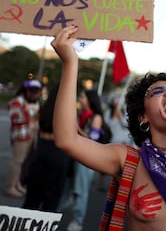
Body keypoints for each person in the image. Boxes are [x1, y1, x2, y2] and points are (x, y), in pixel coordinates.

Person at [51, 25, 166, 230]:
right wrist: (70, 64)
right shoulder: (126, 158)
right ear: (143, 117)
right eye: (158, 92)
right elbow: (67, 140)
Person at [22, 84, 72, 212]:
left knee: (32, 196)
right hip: (58, 154)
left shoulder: (44, 109)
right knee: (52, 199)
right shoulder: (67, 113)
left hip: (41, 149)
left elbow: (31, 124)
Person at [65, 89, 106, 231]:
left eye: (82, 97)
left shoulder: (96, 117)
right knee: (72, 188)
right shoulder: (81, 114)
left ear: (89, 100)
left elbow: (92, 140)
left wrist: (76, 129)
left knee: (81, 190)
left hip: (87, 159)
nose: (80, 99)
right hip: (75, 156)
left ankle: (78, 221)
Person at [5, 79, 42, 198]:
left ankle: (17, 184)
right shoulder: (16, 102)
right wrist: (32, 118)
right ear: (28, 92)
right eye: (35, 92)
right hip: (20, 136)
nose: (37, 95)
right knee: (17, 162)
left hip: (30, 135)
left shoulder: (32, 102)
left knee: (22, 162)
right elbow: (16, 118)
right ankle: (10, 186)